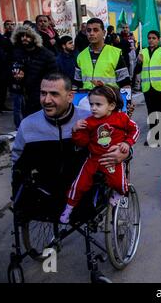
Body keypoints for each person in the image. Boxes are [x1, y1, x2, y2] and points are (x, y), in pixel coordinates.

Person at [11, 73, 131, 218]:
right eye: (43, 93)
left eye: (54, 94)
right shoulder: (28, 125)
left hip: (84, 192)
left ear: (70, 96)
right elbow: (17, 164)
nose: (46, 100)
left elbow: (122, 141)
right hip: (44, 193)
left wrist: (125, 152)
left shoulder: (92, 120)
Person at [59, 85, 139, 224]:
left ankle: (119, 194)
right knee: (79, 185)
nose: (93, 108)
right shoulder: (88, 122)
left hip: (112, 160)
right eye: (91, 104)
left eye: (98, 104)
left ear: (111, 105)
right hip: (93, 160)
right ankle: (69, 208)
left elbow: (135, 129)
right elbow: (82, 142)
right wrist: (75, 130)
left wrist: (127, 142)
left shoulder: (121, 118)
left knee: (118, 183)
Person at [135, 30, 161, 146]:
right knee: (151, 113)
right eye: (149, 38)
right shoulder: (143, 52)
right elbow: (137, 71)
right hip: (147, 88)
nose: (151, 40)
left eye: (154, 38)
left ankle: (160, 138)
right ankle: (153, 138)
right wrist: (139, 62)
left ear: (158, 40)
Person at [11, 24, 58, 116]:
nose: (24, 38)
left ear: (35, 37)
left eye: (28, 36)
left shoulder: (46, 55)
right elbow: (10, 69)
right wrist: (16, 76)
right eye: (22, 35)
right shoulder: (17, 52)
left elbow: (53, 76)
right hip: (20, 93)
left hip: (40, 94)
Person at [74, 18, 130, 91]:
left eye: (95, 30)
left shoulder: (115, 54)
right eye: (88, 30)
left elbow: (125, 83)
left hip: (110, 99)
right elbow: (77, 84)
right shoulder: (81, 56)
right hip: (87, 100)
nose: (91, 33)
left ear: (104, 32)